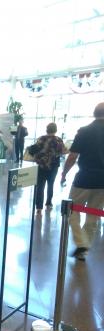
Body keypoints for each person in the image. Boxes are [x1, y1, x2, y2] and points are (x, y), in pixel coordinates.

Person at [61, 102, 104, 261]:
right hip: (102, 183)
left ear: (94, 113)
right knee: (94, 214)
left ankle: (81, 242)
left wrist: (64, 173)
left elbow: (72, 157)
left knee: (72, 210)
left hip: (84, 179)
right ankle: (84, 250)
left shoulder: (85, 131)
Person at [33, 123, 67, 215]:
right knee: (50, 184)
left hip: (41, 165)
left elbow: (35, 150)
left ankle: (39, 207)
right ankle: (48, 203)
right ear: (55, 130)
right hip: (54, 166)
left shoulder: (41, 139)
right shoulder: (58, 140)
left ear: (47, 129)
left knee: (40, 186)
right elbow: (63, 151)